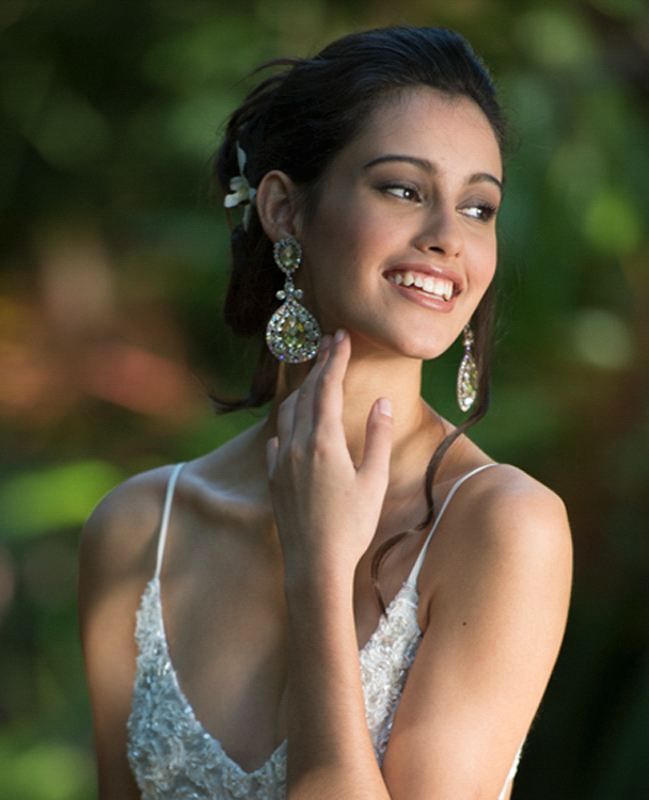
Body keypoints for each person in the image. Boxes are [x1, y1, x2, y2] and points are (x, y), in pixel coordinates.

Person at [78, 26, 572, 800]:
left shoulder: (505, 527)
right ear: (284, 209)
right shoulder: (140, 527)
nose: (448, 238)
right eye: (403, 190)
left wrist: (317, 575)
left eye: (478, 207)